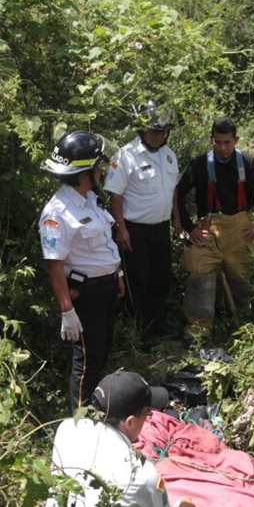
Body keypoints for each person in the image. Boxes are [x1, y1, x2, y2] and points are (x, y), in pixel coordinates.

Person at [45, 370, 207, 507]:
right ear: (129, 421)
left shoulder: (67, 428)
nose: (148, 420)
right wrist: (185, 505)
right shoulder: (139, 472)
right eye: (147, 414)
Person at [39, 131, 125, 412]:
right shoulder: (58, 212)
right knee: (86, 362)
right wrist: (67, 310)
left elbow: (103, 242)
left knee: (100, 353)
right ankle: (79, 419)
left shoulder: (88, 198)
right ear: (86, 171)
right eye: (98, 166)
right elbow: (55, 264)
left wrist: (118, 275)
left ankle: (94, 411)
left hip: (106, 288)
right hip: (86, 294)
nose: (101, 171)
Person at [174, 116, 254, 335]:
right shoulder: (200, 164)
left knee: (240, 278)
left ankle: (242, 324)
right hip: (208, 228)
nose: (222, 148)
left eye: (227, 142)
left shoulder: (249, 163)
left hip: (240, 229)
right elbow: (179, 192)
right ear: (211, 139)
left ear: (236, 140)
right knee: (199, 276)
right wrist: (189, 227)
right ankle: (198, 331)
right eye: (218, 142)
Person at [105, 99, 179, 340]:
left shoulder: (169, 155)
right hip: (135, 230)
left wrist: (177, 222)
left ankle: (159, 323)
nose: (159, 135)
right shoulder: (126, 156)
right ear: (141, 128)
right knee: (138, 280)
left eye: (163, 131)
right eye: (154, 130)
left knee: (161, 277)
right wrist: (121, 229)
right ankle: (142, 329)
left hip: (161, 228)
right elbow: (115, 195)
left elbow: (173, 191)